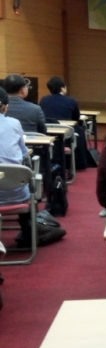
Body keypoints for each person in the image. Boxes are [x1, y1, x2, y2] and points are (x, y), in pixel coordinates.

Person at [0, 87, 34, 244]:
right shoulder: (14, 124)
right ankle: (28, 234)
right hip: (17, 194)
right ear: (5, 107)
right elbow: (24, 152)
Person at [39, 76, 89, 170]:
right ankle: (79, 162)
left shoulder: (44, 99)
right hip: (66, 131)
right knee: (80, 130)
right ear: (62, 88)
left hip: (48, 131)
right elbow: (76, 118)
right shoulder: (71, 100)